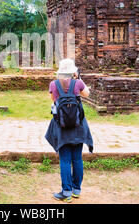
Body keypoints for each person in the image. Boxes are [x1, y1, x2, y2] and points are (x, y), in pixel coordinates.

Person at [45, 58, 94, 203]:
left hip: (62, 126)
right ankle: (76, 190)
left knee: (65, 160)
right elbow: (87, 94)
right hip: (78, 125)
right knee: (77, 158)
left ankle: (66, 192)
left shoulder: (53, 84)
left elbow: (53, 100)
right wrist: (78, 79)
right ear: (73, 71)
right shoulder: (77, 83)